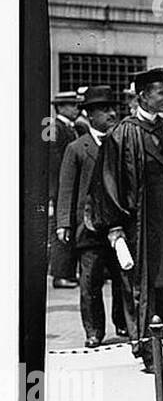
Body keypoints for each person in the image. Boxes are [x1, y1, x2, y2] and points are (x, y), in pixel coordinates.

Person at [90, 67, 163, 369]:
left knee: (162, 284)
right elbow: (108, 183)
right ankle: (144, 346)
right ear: (143, 96)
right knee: (138, 286)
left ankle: (157, 342)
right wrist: (114, 227)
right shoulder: (121, 135)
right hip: (135, 226)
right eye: (161, 92)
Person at [55, 85, 128, 346]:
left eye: (113, 109)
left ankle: (124, 325)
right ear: (90, 114)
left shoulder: (122, 144)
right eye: (104, 110)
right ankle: (94, 331)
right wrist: (63, 222)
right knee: (90, 281)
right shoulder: (77, 147)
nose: (111, 114)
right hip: (88, 227)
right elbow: (66, 187)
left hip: (119, 227)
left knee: (123, 279)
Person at [48, 90, 81, 287]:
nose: (76, 108)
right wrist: (54, 193)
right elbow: (52, 161)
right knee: (61, 230)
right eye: (72, 105)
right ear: (60, 107)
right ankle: (60, 274)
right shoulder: (53, 126)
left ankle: (67, 272)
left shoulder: (73, 127)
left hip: (69, 186)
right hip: (61, 187)